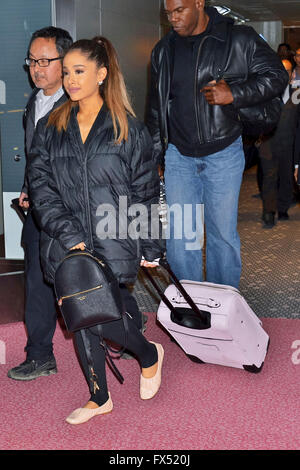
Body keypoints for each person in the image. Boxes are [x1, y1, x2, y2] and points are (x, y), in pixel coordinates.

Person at [27, 37, 164, 424]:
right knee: (81, 312)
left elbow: (145, 193)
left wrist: (151, 244)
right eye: (66, 71)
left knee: (106, 317)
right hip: (65, 240)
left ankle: (148, 354)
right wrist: (69, 233)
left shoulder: (129, 130)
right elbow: (41, 187)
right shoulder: (48, 128)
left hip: (114, 236)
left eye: (79, 71)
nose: (70, 79)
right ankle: (98, 395)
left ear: (101, 74)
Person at [146, 0, 288, 288]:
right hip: (179, 156)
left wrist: (234, 93)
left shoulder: (239, 38)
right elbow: (155, 110)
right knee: (181, 238)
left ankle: (224, 307)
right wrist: (154, 158)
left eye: (179, 11)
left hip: (223, 152)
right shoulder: (164, 51)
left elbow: (277, 77)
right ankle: (191, 309)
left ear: (199, 3)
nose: (173, 19)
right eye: (168, 13)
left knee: (222, 236)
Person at [7, 27, 73, 381]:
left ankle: (124, 328)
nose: (37, 67)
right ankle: (40, 354)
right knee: (36, 279)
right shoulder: (35, 101)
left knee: (82, 279)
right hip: (38, 208)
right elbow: (36, 157)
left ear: (65, 61)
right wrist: (27, 187)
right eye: (32, 61)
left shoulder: (78, 102)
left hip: (70, 212)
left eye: (45, 60)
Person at [259, 59, 298, 227]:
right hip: (268, 142)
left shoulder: (297, 95)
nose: (284, 73)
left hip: (289, 143)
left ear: (292, 75)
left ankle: (282, 207)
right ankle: (269, 211)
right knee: (269, 176)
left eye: (288, 71)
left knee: (286, 176)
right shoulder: (266, 93)